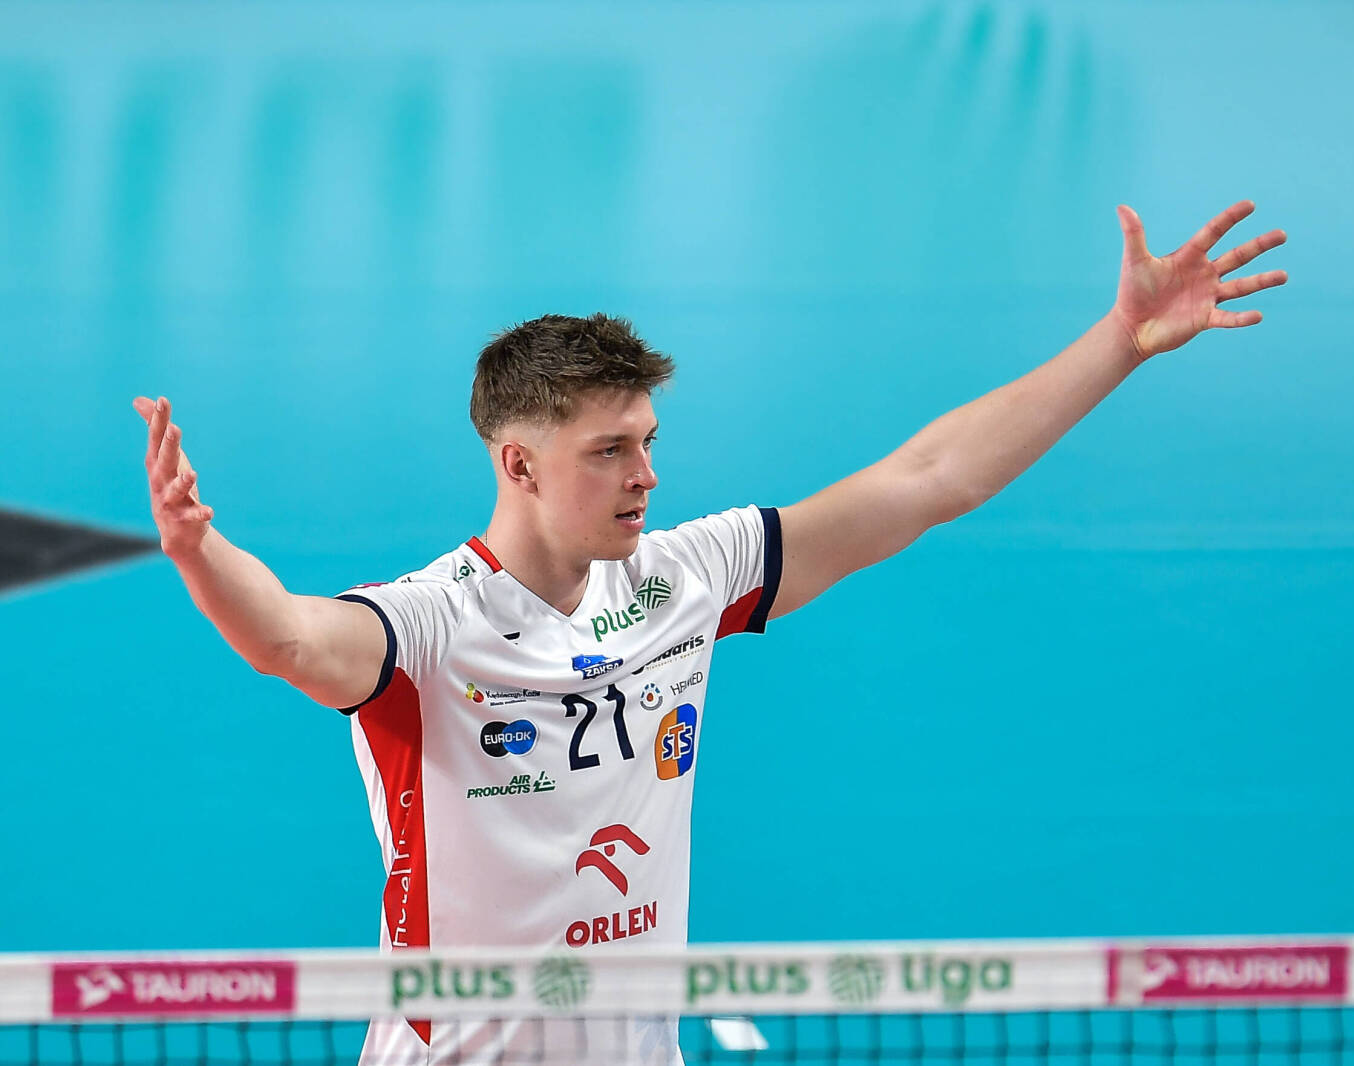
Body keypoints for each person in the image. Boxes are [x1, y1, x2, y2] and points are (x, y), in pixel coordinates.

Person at [135, 201, 1285, 1064]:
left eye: (647, 441)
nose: (646, 474)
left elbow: (927, 479)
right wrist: (197, 552)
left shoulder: (689, 575)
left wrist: (1117, 341)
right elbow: (291, 638)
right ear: (518, 464)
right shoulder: (430, 627)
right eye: (610, 451)